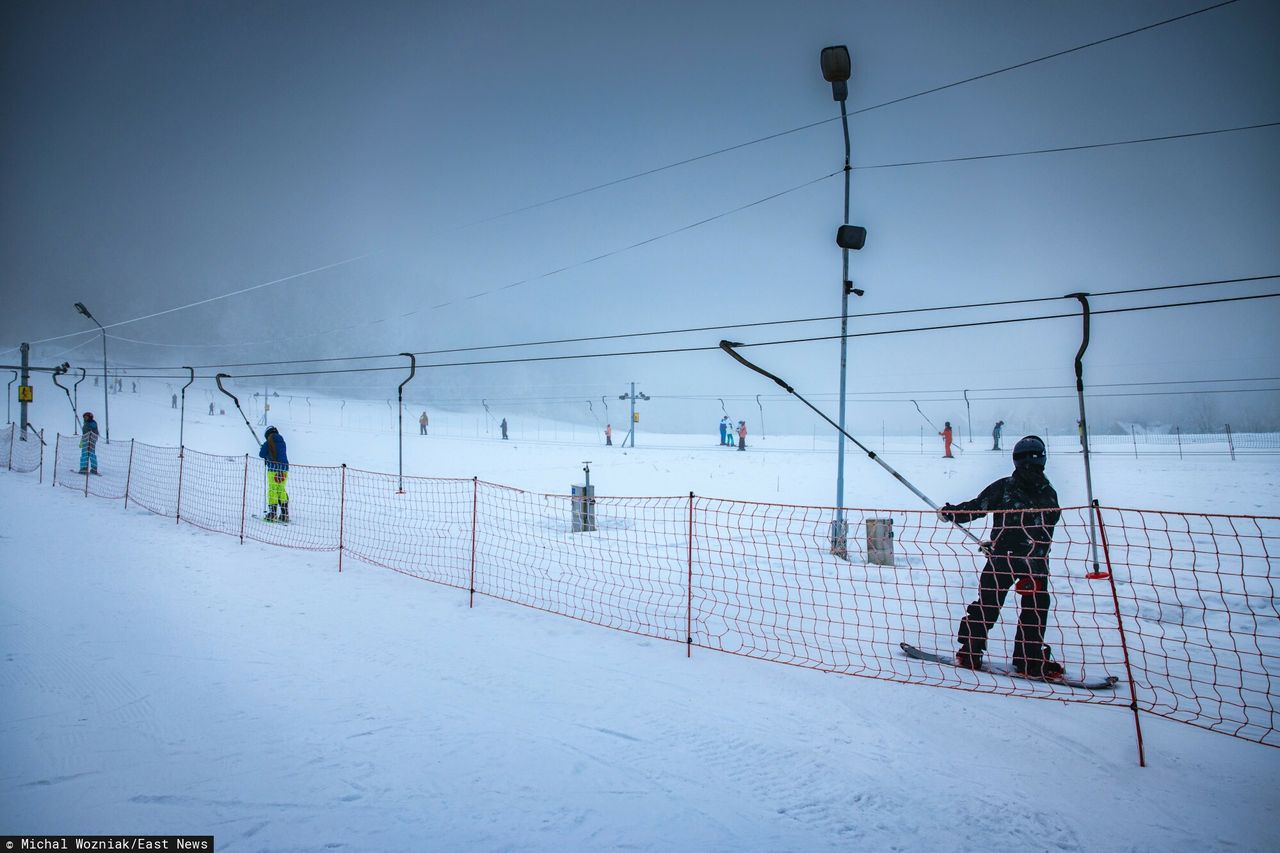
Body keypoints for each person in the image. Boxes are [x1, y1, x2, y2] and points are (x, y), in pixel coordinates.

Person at [940, 435, 1064, 680]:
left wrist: (951, 513)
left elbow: (977, 507)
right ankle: (1029, 659)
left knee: (988, 604)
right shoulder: (1049, 494)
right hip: (1034, 562)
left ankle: (970, 651)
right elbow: (1044, 529)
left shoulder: (1006, 486)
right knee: (1035, 609)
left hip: (1003, 559)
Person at [258, 426, 290, 522]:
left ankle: (272, 513)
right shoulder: (283, 442)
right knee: (281, 490)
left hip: (273, 470)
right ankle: (284, 514)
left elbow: (261, 454)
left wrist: (264, 447)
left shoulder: (268, 443)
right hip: (284, 469)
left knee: (273, 490)